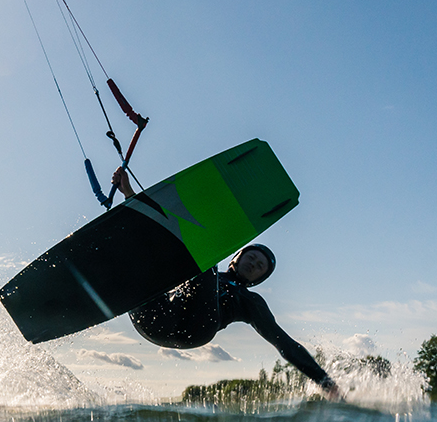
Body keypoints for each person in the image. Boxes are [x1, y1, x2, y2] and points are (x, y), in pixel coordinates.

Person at [113, 167, 342, 400]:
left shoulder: (250, 301)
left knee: (202, 260)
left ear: (258, 279)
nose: (253, 264)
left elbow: (285, 343)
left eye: (260, 267)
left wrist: (327, 383)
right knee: (151, 261)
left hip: (195, 329)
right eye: (251, 257)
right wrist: (128, 193)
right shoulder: (204, 270)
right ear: (237, 258)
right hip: (156, 318)